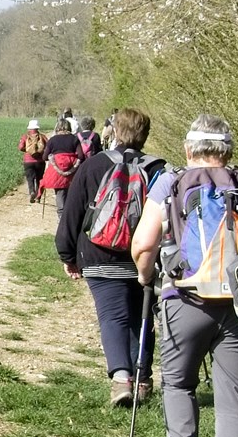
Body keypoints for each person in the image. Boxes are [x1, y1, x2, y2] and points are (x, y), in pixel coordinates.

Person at [129, 116, 238, 437]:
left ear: (189, 149)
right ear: (229, 150)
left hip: (183, 297)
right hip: (237, 305)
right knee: (235, 395)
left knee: (178, 383)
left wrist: (145, 274)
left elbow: (143, 243)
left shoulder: (171, 182)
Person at [55, 107, 164, 406]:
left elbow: (73, 213)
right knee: (141, 319)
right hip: (142, 258)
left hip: (99, 257)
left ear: (115, 131)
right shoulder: (158, 169)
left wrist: (67, 254)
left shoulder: (93, 166)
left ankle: (120, 379)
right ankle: (142, 380)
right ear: (145, 134)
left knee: (112, 317)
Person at [20, 119, 51, 204]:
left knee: (30, 179)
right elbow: (48, 146)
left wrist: (28, 151)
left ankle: (32, 192)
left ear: (29, 128)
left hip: (28, 161)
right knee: (39, 179)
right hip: (40, 161)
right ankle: (38, 196)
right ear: (37, 128)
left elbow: (20, 147)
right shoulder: (43, 136)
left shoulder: (25, 137)